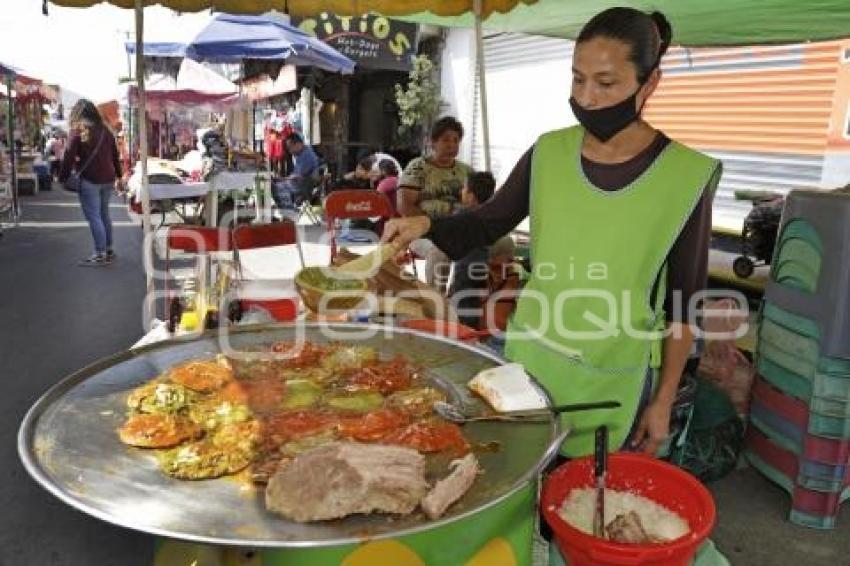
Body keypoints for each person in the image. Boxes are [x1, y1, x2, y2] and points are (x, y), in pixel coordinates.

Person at [384, 8, 722, 459]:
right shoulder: (549, 152)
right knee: (519, 482)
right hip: (532, 358)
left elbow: (684, 304)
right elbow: (488, 220)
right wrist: (422, 223)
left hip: (614, 375)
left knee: (588, 501)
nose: (587, 97)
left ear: (650, 82)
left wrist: (663, 401)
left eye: (606, 83)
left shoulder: (686, 177)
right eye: (577, 79)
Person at [398, 116, 472, 290]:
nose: (452, 145)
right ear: (432, 142)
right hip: (423, 233)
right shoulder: (417, 168)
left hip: (459, 231)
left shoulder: (466, 171)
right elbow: (404, 206)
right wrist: (433, 226)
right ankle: (435, 300)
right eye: (446, 139)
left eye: (456, 140)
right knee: (439, 251)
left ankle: (466, 295)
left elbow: (478, 202)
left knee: (505, 244)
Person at [59, 99, 124, 267]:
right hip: (108, 179)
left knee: (94, 216)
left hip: (90, 179)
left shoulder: (78, 130)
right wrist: (119, 176)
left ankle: (100, 253)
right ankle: (108, 250)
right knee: (104, 214)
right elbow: (115, 155)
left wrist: (63, 177)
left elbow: (68, 156)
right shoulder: (105, 131)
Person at [272, 132, 320, 210]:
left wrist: (283, 179)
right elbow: (296, 175)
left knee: (276, 188)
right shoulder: (302, 154)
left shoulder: (307, 155)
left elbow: (297, 177)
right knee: (275, 185)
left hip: (304, 186)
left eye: (290, 147)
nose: (290, 151)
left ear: (298, 144)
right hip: (301, 183)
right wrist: (283, 179)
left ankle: (288, 212)